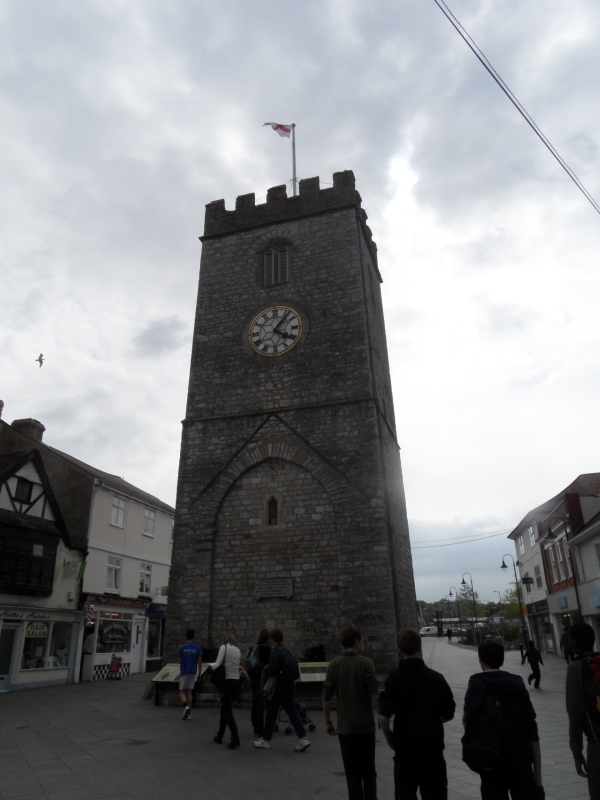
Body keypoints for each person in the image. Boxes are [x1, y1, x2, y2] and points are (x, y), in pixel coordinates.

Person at [379, 627, 455, 799]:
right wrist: (431, 719)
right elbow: (449, 712)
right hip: (432, 751)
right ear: (420, 649)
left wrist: (389, 735)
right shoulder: (436, 678)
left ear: (399, 651)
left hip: (405, 752)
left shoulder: (394, 679)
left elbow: (383, 717)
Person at [463, 639, 543, 799]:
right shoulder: (517, 684)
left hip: (491, 761)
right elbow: (532, 731)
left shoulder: (476, 685)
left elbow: (467, 723)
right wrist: (538, 779)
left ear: (480, 659)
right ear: (502, 659)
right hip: (521, 760)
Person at [322, 625, 380, 800]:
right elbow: (374, 695)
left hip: (346, 729)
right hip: (365, 726)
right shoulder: (366, 663)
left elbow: (326, 696)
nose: (363, 645)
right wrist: (381, 714)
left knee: (352, 774)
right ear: (356, 642)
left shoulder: (334, 665)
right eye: (362, 641)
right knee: (369, 772)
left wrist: (328, 722)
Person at [253, 629, 310, 752]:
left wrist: (267, 669)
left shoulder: (275, 651)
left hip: (278, 686)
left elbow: (272, 670)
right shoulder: (286, 650)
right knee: (293, 712)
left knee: (271, 713)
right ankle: (303, 738)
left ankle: (266, 740)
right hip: (290, 685)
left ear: (272, 639)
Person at [566, 621, 600, 797]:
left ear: (574, 643)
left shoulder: (576, 668)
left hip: (597, 744)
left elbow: (575, 713)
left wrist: (577, 753)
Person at [209, 632, 241, 749]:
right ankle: (220, 736)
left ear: (223, 640)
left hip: (227, 681)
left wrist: (209, 667)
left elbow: (217, 664)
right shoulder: (237, 649)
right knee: (224, 710)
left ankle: (235, 738)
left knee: (228, 712)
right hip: (236, 681)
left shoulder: (224, 648)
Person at [247, 629, 272, 737]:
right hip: (261, 679)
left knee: (255, 702)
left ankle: (255, 725)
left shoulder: (255, 647)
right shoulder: (267, 649)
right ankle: (260, 728)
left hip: (252, 677)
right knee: (261, 704)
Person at [178, 628, 203, 721]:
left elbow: (179, 661)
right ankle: (189, 714)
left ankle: (186, 706)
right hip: (193, 671)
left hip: (184, 671)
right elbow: (199, 662)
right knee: (189, 692)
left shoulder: (182, 648)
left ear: (186, 636)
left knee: (181, 691)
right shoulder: (197, 648)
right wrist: (199, 674)